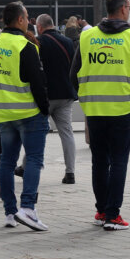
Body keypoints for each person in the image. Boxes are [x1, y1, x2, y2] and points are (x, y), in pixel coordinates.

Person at [70, 0, 130, 230]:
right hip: (124, 108)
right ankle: (113, 215)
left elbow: (73, 73)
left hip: (94, 107)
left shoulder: (88, 36)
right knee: (119, 161)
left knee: (99, 161)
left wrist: (84, 94)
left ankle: (102, 210)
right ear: (124, 9)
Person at [0, 1, 51, 231]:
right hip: (27, 112)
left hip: (3, 113)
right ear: (21, 20)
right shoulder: (25, 46)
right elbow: (38, 83)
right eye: (27, 16)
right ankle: (28, 208)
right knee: (34, 159)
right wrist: (45, 110)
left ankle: (10, 212)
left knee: (6, 161)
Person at [34, 14, 78, 184]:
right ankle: (70, 172)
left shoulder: (38, 42)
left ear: (39, 27)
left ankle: (27, 166)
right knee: (67, 133)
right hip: (66, 94)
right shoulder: (68, 41)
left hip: (45, 96)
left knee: (38, 132)